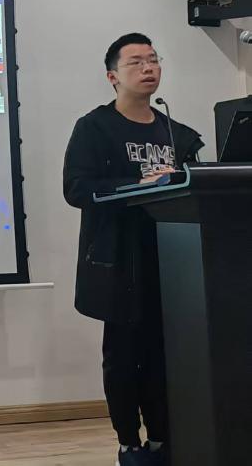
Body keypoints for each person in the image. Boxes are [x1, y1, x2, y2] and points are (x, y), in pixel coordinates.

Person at [63, 33, 203, 466]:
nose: (149, 68)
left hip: (173, 260)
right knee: (123, 358)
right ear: (113, 77)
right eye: (137, 62)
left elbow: (199, 190)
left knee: (166, 356)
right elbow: (76, 189)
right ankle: (129, 443)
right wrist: (137, 184)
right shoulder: (94, 127)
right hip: (120, 262)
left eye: (154, 60)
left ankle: (163, 438)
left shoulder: (178, 133)